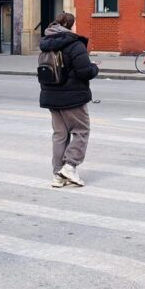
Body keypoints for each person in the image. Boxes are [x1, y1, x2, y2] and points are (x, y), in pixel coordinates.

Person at [39, 12, 98, 188]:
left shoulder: (46, 43)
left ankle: (58, 174)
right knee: (81, 131)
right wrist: (94, 68)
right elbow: (84, 72)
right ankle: (70, 166)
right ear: (71, 25)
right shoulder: (74, 44)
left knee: (60, 134)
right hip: (73, 96)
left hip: (51, 95)